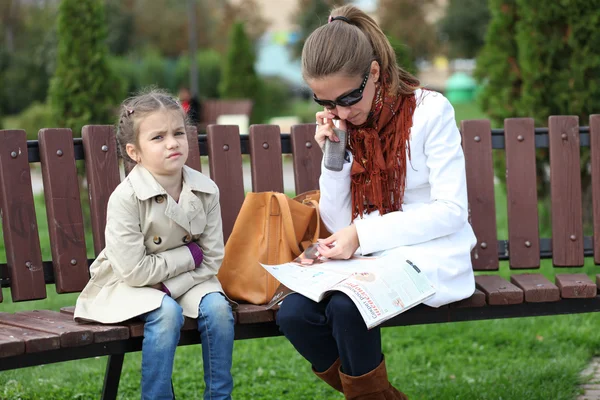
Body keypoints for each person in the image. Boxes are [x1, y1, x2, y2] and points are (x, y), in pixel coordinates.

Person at [275, 5, 476, 400]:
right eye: (326, 103)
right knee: (293, 314)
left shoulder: (430, 111)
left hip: (428, 252)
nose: (342, 112)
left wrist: (362, 234)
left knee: (346, 308)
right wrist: (335, 158)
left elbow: (451, 211)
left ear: (374, 72)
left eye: (349, 97)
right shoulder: (347, 126)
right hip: (371, 257)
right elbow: (336, 220)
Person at [74, 89, 234, 400]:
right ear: (134, 152)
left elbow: (212, 258)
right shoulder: (126, 198)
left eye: (178, 133)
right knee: (166, 313)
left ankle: (219, 395)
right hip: (129, 284)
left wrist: (174, 283)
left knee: (218, 309)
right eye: (158, 138)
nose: (172, 143)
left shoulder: (206, 190)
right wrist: (190, 253)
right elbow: (134, 271)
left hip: (186, 282)